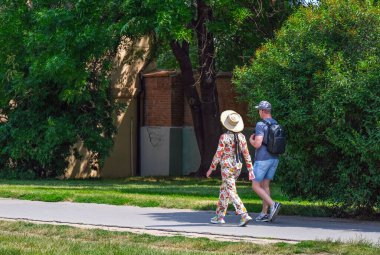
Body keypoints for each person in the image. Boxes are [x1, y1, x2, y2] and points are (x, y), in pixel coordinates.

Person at [206, 110, 255, 227]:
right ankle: (220, 216)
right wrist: (250, 169)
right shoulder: (242, 137)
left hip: (227, 167)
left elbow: (218, 154)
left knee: (231, 191)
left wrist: (211, 168)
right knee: (225, 190)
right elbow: (246, 154)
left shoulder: (224, 137)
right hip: (237, 166)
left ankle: (244, 214)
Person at [249, 101, 282, 222]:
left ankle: (273, 204)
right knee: (265, 185)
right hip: (274, 158)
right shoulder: (275, 123)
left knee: (255, 186)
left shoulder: (260, 125)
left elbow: (257, 144)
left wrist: (251, 140)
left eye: (259, 110)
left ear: (263, 111)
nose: (259, 112)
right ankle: (264, 213)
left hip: (263, 159)